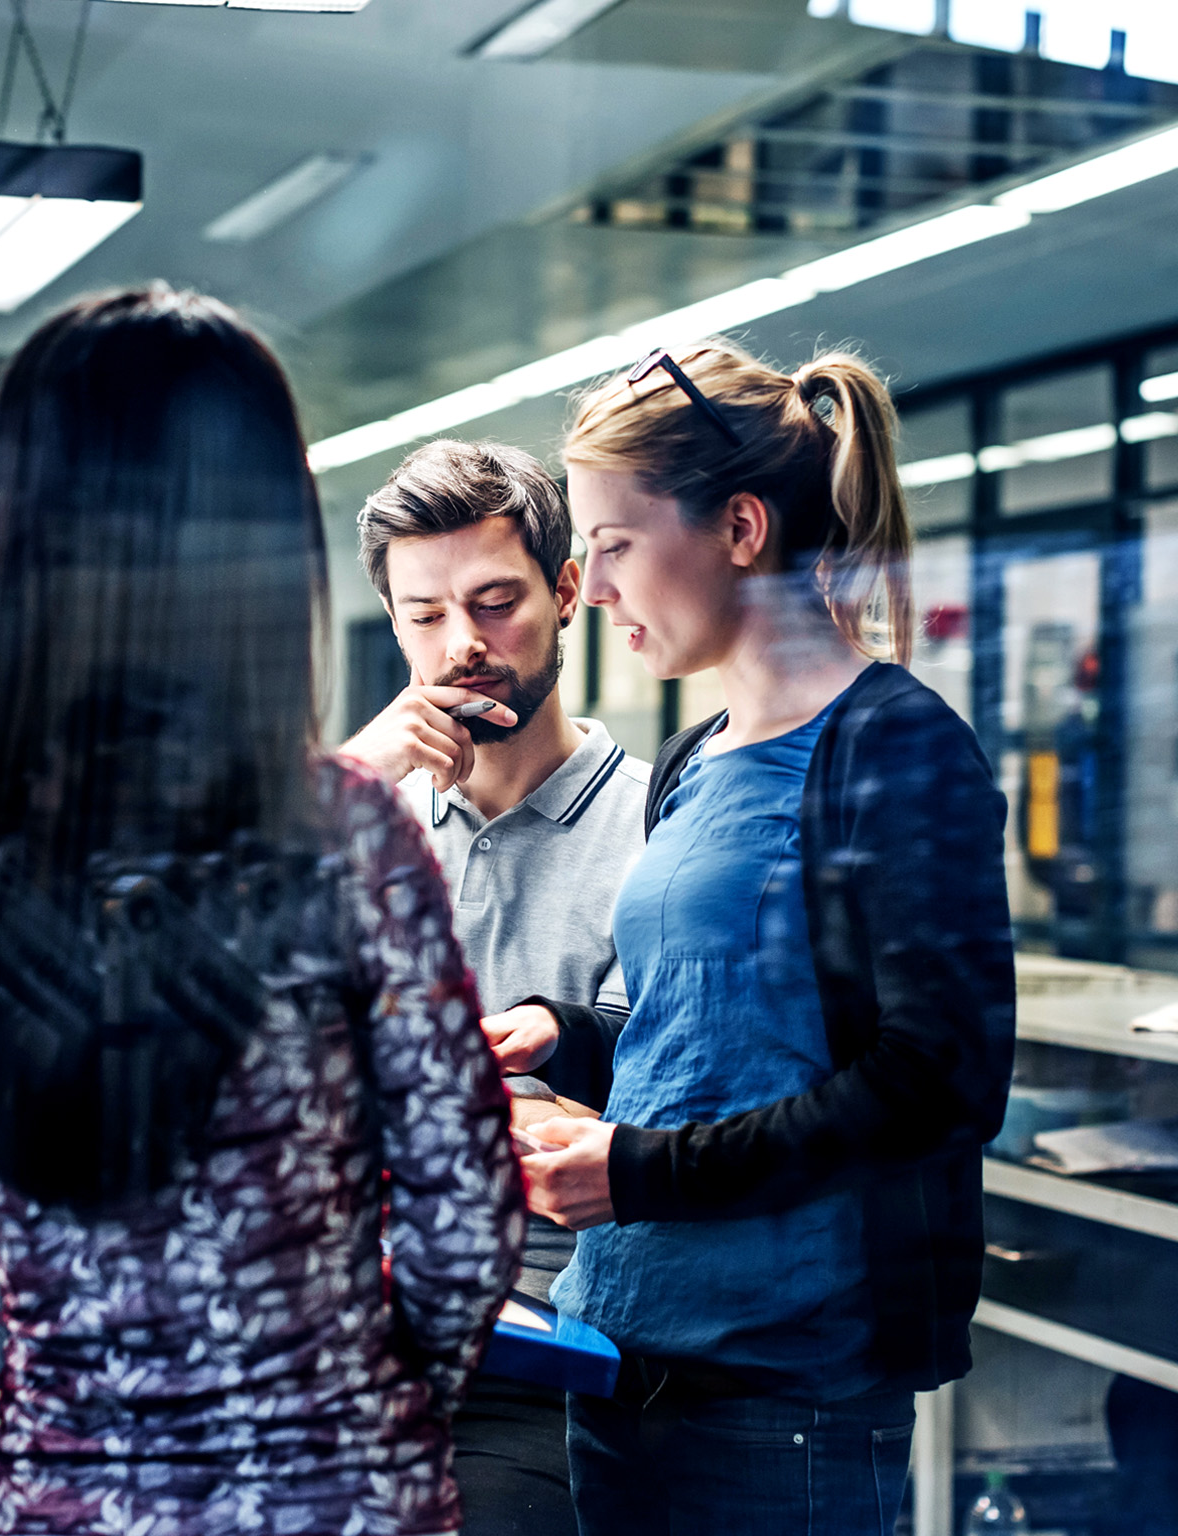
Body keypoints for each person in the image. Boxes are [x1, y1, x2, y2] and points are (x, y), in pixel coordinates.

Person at [0, 286, 524, 1536]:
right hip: (332, 1500)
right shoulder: (345, 837)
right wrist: (353, 1410)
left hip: (69, 1492)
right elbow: (465, 1221)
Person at [504, 342, 1017, 1536]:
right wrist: (569, 1038)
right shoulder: (697, 754)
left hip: (786, 1389)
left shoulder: (893, 747)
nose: (593, 584)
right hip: (627, 1348)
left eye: (617, 544)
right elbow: (723, 1025)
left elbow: (936, 1081)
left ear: (740, 528)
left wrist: (636, 1171)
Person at [344, 439, 650, 1536]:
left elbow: (623, 1104)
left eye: (495, 602)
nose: (461, 645)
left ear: (568, 592)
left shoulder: (661, 834)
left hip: (531, 1350)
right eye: (424, 614)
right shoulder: (357, 819)